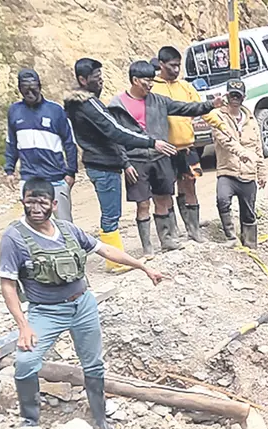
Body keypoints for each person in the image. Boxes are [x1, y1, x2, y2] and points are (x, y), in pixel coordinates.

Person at [0, 178, 165, 429]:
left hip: (82, 305)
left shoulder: (67, 230)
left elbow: (105, 249)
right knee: (26, 362)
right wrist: (23, 326)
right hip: (46, 310)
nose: (35, 208)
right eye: (30, 202)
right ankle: (30, 420)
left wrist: (143, 267)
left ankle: (100, 418)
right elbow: (7, 284)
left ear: (54, 204)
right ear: (23, 203)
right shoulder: (14, 237)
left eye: (41, 202)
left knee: (94, 363)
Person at [63, 57, 177, 272]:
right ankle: (114, 261)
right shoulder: (88, 105)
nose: (101, 82)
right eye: (97, 78)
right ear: (82, 79)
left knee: (111, 213)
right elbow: (115, 131)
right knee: (111, 214)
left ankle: (115, 258)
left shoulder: (77, 105)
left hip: (101, 162)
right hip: (102, 164)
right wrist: (152, 142)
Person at [109, 60, 221, 256]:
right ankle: (147, 249)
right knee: (142, 203)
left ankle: (167, 240)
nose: (150, 84)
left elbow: (185, 108)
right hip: (136, 160)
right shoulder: (117, 105)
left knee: (163, 198)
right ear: (135, 80)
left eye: (152, 80)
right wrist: (124, 163)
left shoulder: (158, 101)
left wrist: (211, 105)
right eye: (146, 81)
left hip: (161, 156)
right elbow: (114, 138)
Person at [152, 45, 220, 243]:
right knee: (165, 191)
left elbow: (203, 110)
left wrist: (221, 125)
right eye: (172, 66)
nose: (176, 70)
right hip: (164, 151)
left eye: (178, 66)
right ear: (161, 64)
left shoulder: (186, 87)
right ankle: (172, 234)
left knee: (190, 186)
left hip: (187, 148)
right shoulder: (153, 89)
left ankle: (194, 230)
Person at [4, 68, 78, 222]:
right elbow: (12, 142)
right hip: (29, 177)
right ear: (19, 89)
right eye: (26, 90)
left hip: (56, 177)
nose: (30, 94)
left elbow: (69, 143)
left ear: (40, 87)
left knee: (64, 224)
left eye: (33, 89)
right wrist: (9, 170)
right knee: (35, 223)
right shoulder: (14, 111)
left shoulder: (55, 111)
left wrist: (71, 172)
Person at [211, 79, 266, 248]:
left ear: (243, 97)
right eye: (232, 95)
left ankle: (250, 244)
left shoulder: (251, 119)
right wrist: (243, 153)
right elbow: (225, 141)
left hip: (248, 174)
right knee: (222, 200)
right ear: (227, 96)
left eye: (238, 95)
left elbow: (258, 147)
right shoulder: (218, 117)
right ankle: (231, 238)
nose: (235, 99)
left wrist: (261, 172)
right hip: (227, 170)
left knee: (248, 211)